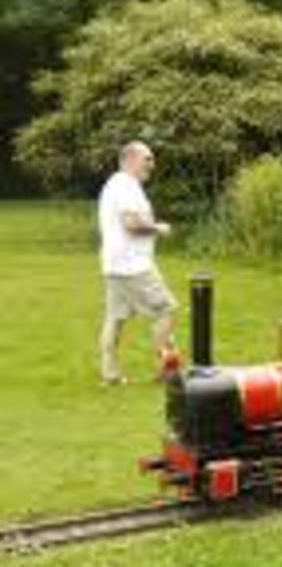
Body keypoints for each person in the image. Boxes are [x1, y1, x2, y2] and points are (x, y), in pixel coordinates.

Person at [98, 141, 177, 385]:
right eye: (147, 159)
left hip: (115, 264)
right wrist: (158, 228)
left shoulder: (120, 184)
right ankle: (167, 367)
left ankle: (110, 375)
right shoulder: (124, 185)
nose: (152, 165)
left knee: (115, 317)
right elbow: (131, 224)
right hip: (132, 265)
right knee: (166, 309)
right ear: (129, 159)